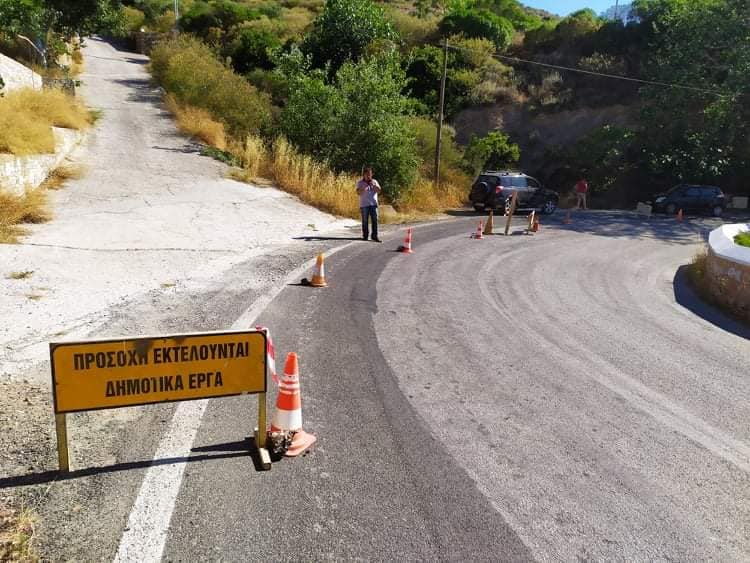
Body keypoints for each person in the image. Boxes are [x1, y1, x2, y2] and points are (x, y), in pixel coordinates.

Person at [356, 167, 382, 242]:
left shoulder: (374, 181)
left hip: (374, 204)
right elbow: (358, 192)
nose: (368, 176)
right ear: (363, 174)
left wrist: (373, 186)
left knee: (375, 220)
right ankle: (365, 236)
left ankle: (374, 236)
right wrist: (364, 188)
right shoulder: (360, 183)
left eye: (370, 174)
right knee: (365, 221)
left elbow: (379, 191)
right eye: (367, 174)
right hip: (364, 205)